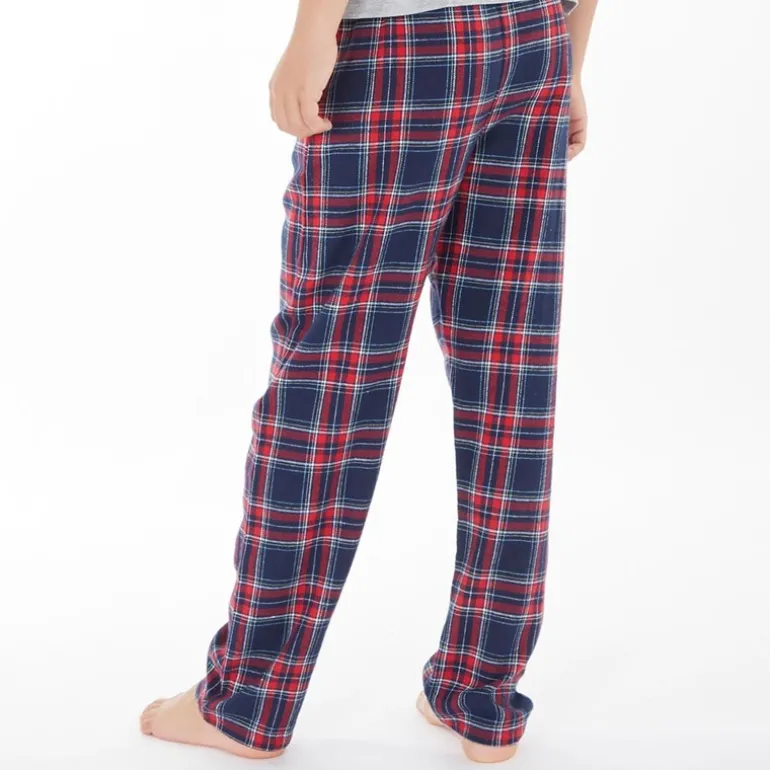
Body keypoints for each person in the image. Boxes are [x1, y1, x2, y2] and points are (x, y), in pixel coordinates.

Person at [140, 0, 598, 762]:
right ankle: (482, 694)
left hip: (402, 43)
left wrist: (313, 30)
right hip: (534, 37)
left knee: (329, 378)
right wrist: (570, 56)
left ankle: (249, 698)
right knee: (510, 375)